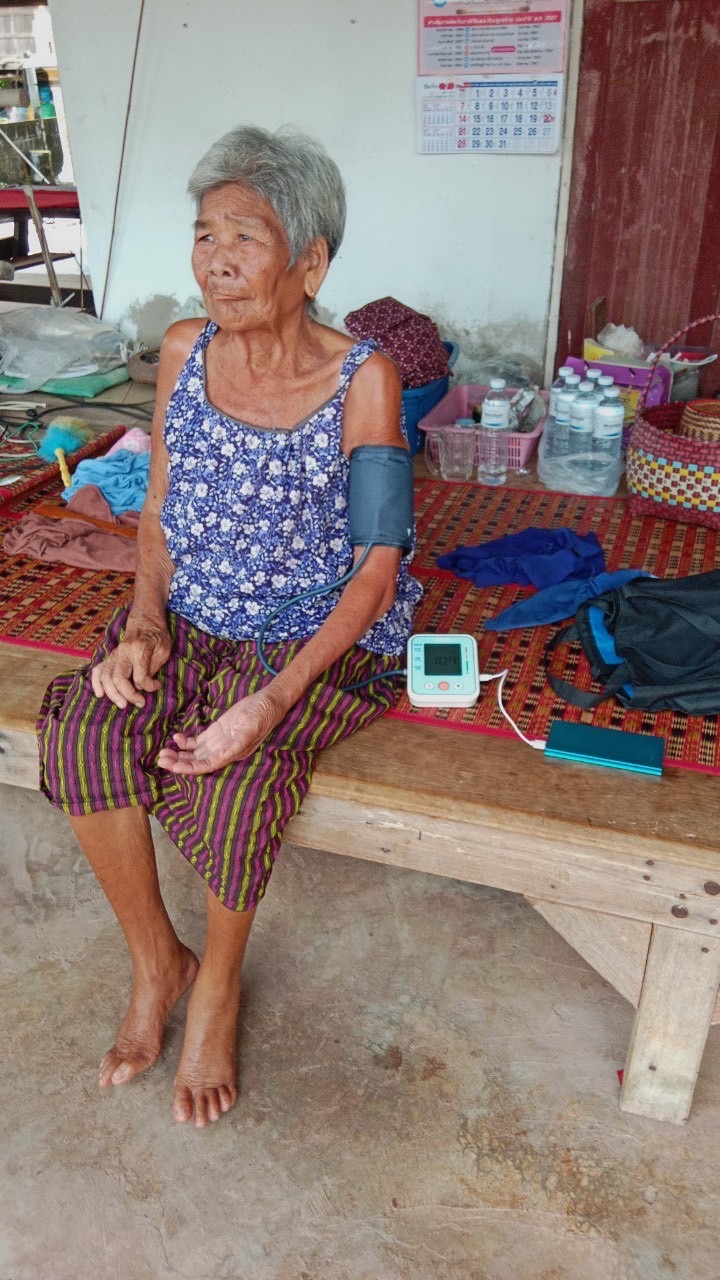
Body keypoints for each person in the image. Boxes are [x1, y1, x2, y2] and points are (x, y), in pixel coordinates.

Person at [37, 125, 422, 1129]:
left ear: (311, 263)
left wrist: (270, 700)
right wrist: (143, 623)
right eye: (205, 235)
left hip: (314, 641)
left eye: (245, 237)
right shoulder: (184, 348)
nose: (216, 260)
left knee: (236, 773)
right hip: (190, 615)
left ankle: (217, 981)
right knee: (83, 729)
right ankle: (157, 963)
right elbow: (160, 507)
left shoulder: (365, 379)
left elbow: (377, 570)